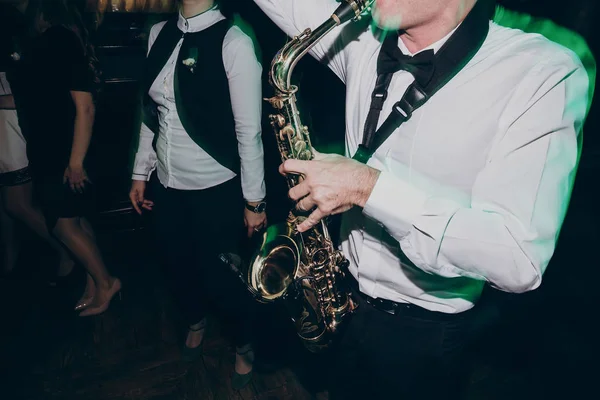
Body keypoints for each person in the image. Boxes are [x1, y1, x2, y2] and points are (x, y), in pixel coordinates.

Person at [252, 0, 591, 398]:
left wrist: (368, 187)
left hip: (422, 335)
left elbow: (519, 258)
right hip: (341, 301)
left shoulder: (541, 72)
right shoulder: (362, 40)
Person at [129, 0, 267, 389]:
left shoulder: (233, 41)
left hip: (217, 189)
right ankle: (195, 320)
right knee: (176, 264)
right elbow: (149, 112)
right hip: (167, 185)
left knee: (222, 279)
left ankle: (243, 343)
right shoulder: (159, 33)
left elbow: (249, 132)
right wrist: (141, 171)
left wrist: (254, 201)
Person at [11, 0, 121, 316]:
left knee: (61, 225)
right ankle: (94, 283)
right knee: (75, 221)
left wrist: (75, 162)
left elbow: (84, 106)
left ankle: (106, 281)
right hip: (56, 148)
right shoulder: (63, 38)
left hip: (62, 151)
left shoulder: (57, 39)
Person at [0, 0, 76, 279]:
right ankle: (11, 261)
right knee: (8, 200)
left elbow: (36, 87)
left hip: (15, 106)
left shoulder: (39, 24)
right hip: (19, 101)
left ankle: (71, 252)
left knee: (16, 201)